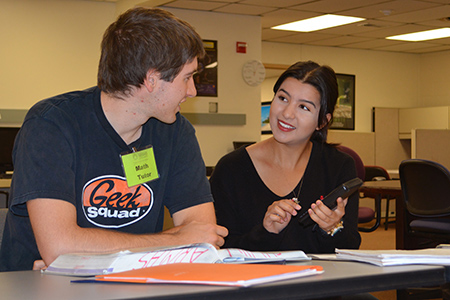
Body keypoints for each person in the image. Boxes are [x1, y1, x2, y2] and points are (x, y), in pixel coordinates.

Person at [0, 7, 228, 272]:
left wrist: (86, 257)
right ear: (152, 79)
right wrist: (171, 240)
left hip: (133, 283)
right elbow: (60, 247)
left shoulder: (176, 132)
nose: (192, 91)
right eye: (187, 78)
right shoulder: (52, 124)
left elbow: (203, 236)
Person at [210, 61, 361, 253]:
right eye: (282, 98)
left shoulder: (338, 166)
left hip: (319, 280)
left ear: (322, 121)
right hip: (257, 281)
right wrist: (266, 232)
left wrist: (331, 228)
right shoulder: (232, 168)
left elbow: (351, 246)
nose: (287, 113)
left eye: (304, 107)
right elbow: (220, 248)